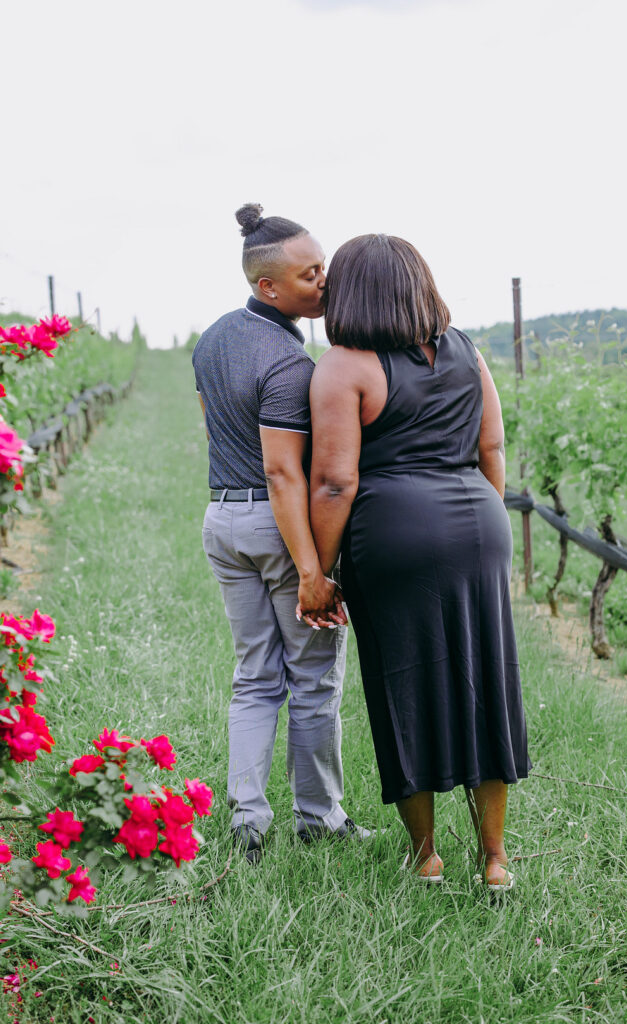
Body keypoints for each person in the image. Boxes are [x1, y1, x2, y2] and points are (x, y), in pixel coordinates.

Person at [304, 233, 530, 888]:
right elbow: (491, 449)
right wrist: (483, 532)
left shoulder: (344, 365)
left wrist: (318, 572)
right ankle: (494, 860)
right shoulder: (467, 351)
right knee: (486, 681)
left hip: (394, 531)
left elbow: (335, 482)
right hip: (478, 523)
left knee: (403, 684)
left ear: (350, 293)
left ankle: (426, 855)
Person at [193, 204, 369, 863]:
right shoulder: (290, 364)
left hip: (221, 522)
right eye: (308, 274)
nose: (322, 282)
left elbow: (217, 432)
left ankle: (246, 819)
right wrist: (310, 571)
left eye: (322, 268)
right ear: (268, 286)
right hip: (275, 524)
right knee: (314, 677)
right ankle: (319, 818)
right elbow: (281, 471)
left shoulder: (211, 339)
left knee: (253, 674)